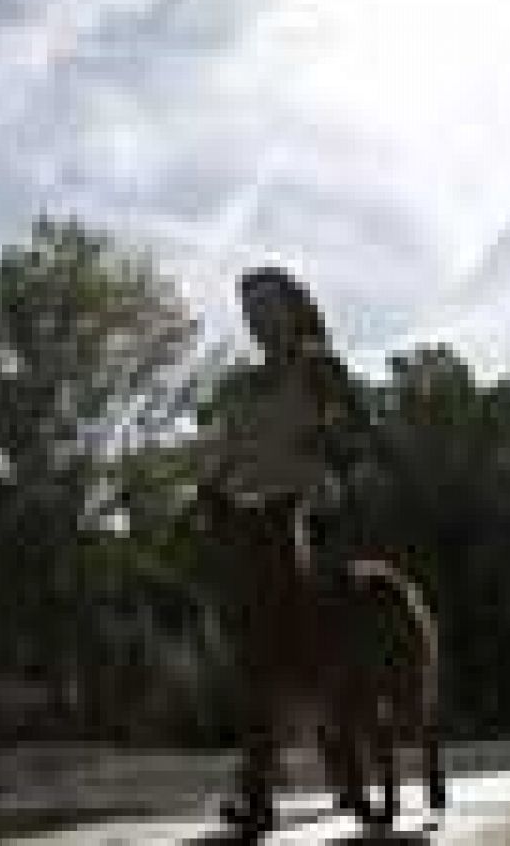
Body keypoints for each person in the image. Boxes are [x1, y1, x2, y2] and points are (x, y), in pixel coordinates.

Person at [197, 267, 390, 834]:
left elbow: (361, 429)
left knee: (327, 651)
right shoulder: (245, 386)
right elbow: (229, 454)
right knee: (256, 661)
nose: (255, 318)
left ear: (291, 306)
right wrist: (208, 491)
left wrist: (327, 441)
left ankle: (351, 779)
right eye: (247, 308)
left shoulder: (319, 368)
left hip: (315, 519)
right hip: (254, 525)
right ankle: (258, 794)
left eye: (264, 304)